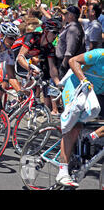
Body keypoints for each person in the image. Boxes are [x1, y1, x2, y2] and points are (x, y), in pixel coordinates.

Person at [56, 48, 104, 187]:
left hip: (94, 94)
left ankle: (90, 138)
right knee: (75, 127)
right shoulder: (100, 54)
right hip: (76, 86)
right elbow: (73, 60)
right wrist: (84, 80)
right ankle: (62, 171)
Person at [12, 17, 63, 115]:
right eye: (54, 33)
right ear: (46, 31)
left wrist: (59, 84)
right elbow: (20, 57)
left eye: (57, 33)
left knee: (36, 79)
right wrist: (29, 68)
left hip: (23, 61)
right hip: (11, 57)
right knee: (6, 83)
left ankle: (20, 100)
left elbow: (52, 68)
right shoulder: (32, 37)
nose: (56, 36)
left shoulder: (49, 47)